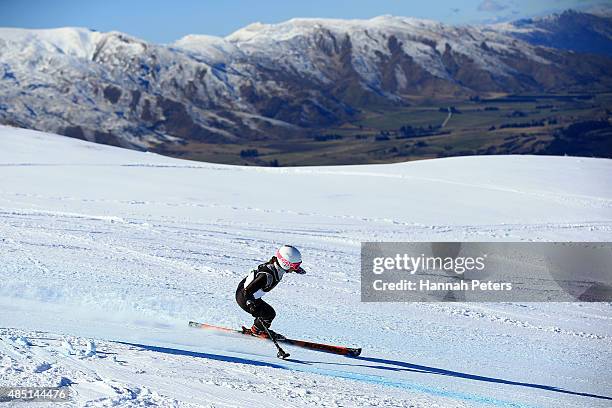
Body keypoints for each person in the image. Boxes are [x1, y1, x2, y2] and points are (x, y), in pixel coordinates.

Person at [236, 245, 306, 338]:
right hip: (245, 296)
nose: (296, 268)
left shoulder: (277, 265)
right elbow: (247, 292)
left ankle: (257, 329)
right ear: (286, 263)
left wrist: (295, 269)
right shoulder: (266, 276)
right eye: (295, 266)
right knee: (268, 314)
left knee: (267, 313)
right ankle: (257, 331)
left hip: (249, 294)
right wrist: (251, 305)